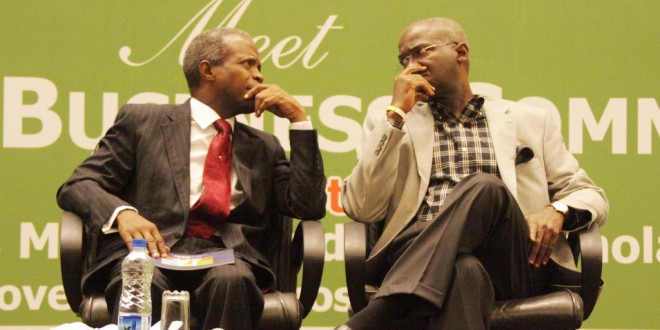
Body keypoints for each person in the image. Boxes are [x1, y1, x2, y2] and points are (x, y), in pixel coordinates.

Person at [338, 17, 608, 329]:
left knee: (485, 187)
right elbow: (361, 207)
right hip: (416, 249)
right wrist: (397, 115)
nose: (410, 66)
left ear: (461, 52)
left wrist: (558, 209)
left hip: (510, 259)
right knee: (464, 270)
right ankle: (395, 302)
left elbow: (592, 196)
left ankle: (382, 312)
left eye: (419, 52)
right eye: (404, 60)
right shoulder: (392, 121)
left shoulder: (530, 120)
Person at [57, 28, 326, 330]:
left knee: (231, 280)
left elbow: (309, 206)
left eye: (259, 67)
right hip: (151, 251)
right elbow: (79, 185)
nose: (259, 76)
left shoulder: (263, 146)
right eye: (248, 64)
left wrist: (299, 121)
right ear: (208, 70)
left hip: (228, 258)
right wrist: (123, 213)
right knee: (143, 278)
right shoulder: (143, 122)